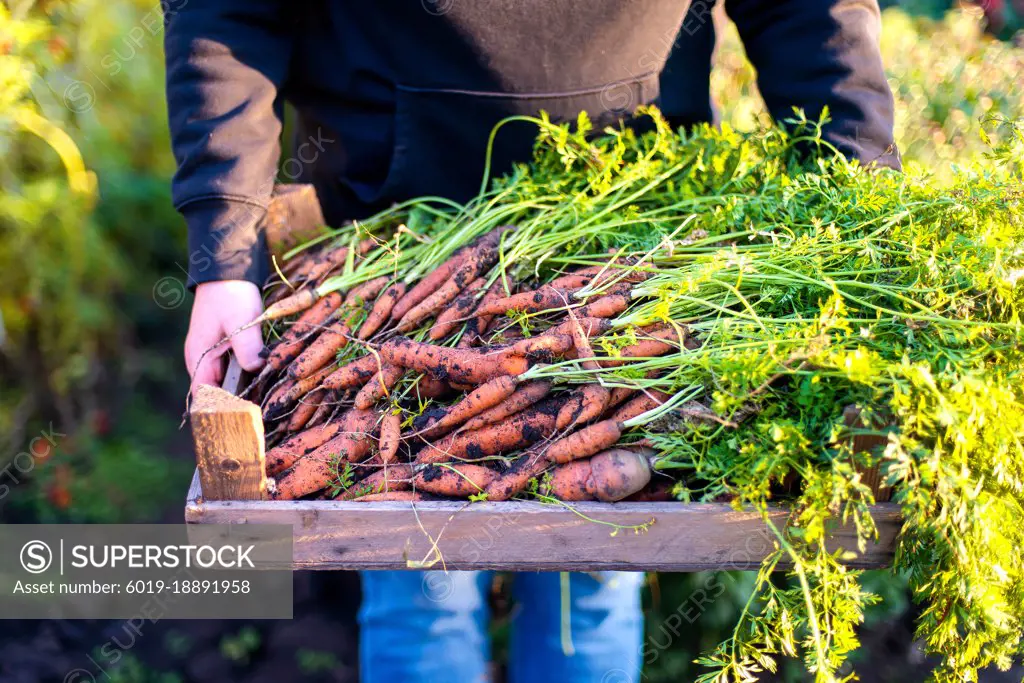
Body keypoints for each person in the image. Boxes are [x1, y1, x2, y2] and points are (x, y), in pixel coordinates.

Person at [166, 1, 897, 680]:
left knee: (597, 566)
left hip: (631, 258)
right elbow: (229, 9)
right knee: (415, 573)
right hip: (387, 226)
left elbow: (808, 10)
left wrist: (861, 200)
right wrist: (224, 250)